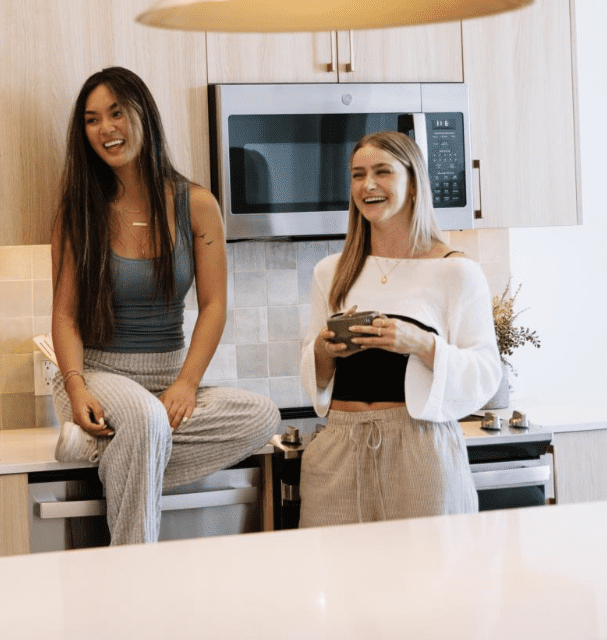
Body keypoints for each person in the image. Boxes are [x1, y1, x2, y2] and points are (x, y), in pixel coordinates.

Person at [50, 66, 279, 546]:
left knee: (263, 416)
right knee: (146, 420)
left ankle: (102, 449)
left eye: (116, 112)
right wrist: (75, 390)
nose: (106, 129)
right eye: (92, 120)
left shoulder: (195, 204)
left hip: (165, 388)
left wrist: (187, 385)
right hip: (96, 378)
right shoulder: (79, 211)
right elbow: (66, 314)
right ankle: (136, 566)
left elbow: (214, 305)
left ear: (144, 115)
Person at [299, 130, 502, 526]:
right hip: (338, 445)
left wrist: (421, 344)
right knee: (336, 577)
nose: (367, 185)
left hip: (420, 450)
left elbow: (487, 373)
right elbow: (317, 378)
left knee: (428, 579)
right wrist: (326, 350)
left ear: (413, 185)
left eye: (382, 172)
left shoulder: (456, 272)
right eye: (357, 174)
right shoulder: (331, 272)